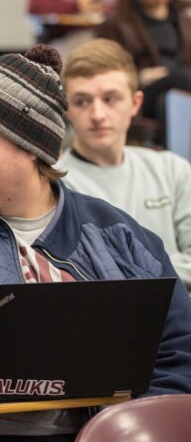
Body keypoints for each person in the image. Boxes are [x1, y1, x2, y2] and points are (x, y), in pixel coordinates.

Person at [0, 43, 191, 442]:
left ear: (30, 148)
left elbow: (179, 353)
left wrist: (122, 429)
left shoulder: (117, 235)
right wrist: (53, 351)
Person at [57, 38, 191, 286]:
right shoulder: (56, 185)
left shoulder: (173, 170)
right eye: (82, 101)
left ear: (135, 103)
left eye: (110, 99)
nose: (97, 115)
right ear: (67, 109)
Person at [96, 0, 191, 142]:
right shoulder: (116, 23)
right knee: (169, 93)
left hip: (182, 82)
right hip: (144, 89)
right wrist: (139, 75)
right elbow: (107, 69)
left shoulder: (185, 13)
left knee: (176, 87)